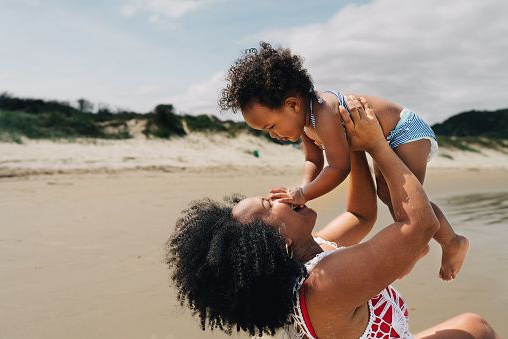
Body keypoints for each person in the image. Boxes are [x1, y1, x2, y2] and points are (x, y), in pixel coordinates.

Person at [165, 96, 500, 338]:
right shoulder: (324, 283)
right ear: (280, 240)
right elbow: (421, 226)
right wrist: (377, 145)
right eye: (270, 204)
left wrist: (345, 143)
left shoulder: (306, 258)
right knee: (478, 328)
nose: (279, 194)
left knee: (472, 325)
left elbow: (360, 214)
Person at [218, 42, 468, 281]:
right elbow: (312, 160)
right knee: (386, 194)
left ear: (292, 105)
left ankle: (452, 242)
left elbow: (339, 167)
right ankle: (418, 244)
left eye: (271, 126)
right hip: (385, 137)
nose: (272, 134)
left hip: (405, 130)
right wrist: (301, 194)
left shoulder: (324, 113)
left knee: (405, 200)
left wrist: (302, 194)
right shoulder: (306, 122)